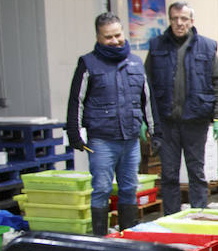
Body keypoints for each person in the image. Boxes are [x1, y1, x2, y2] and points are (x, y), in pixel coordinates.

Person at [66, 12, 156, 236]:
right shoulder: (88, 63)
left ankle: (128, 237)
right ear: (98, 37)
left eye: (118, 35)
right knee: (102, 189)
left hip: (130, 139)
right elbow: (76, 100)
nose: (115, 41)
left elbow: (146, 100)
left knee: (129, 188)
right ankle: (100, 239)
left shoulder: (135, 62)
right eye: (109, 37)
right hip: (101, 140)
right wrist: (75, 134)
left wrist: (155, 130)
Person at [144, 2, 218, 214]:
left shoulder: (207, 47)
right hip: (166, 122)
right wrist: (144, 120)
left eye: (184, 19)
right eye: (175, 19)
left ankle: (199, 216)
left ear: (191, 21)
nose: (179, 23)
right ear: (169, 20)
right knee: (169, 175)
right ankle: (171, 219)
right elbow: (145, 85)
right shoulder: (156, 47)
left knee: (196, 173)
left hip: (196, 120)